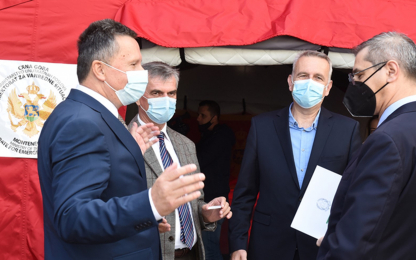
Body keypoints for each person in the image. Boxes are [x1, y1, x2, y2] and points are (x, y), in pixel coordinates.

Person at [37, 20, 206, 260]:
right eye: (134, 64)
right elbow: (73, 218)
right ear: (100, 69)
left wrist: (127, 155)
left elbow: (107, 190)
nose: (142, 73)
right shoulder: (82, 122)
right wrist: (151, 203)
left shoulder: (93, 115)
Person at [228, 50, 362, 260]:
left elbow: (354, 193)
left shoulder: (348, 130)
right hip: (268, 245)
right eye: (303, 76)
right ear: (290, 82)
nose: (310, 82)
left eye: (318, 78)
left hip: (322, 246)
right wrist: (237, 244)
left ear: (328, 88)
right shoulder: (262, 126)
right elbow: (245, 192)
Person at [317, 32, 416, 260]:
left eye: (360, 74)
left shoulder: (388, 139)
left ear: (391, 71)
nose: (355, 84)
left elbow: (357, 240)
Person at [127, 61, 232, 260]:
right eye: (157, 93)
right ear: (139, 98)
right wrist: (147, 221)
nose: (166, 100)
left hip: (191, 254)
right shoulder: (123, 140)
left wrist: (206, 212)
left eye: (172, 93)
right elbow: (113, 204)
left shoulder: (186, 144)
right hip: (149, 254)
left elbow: (195, 201)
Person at [196, 100, 236, 260]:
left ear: (214, 118)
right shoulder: (210, 137)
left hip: (214, 197)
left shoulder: (220, 138)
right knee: (206, 246)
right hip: (207, 197)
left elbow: (200, 160)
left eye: (203, 115)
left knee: (209, 246)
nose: (198, 118)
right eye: (198, 114)